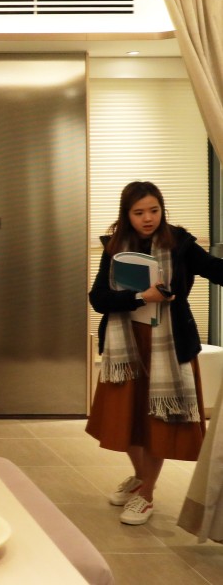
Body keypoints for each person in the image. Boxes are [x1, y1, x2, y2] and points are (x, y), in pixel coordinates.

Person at [87, 181, 223, 526]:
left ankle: (147, 494)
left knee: (157, 423)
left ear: (162, 210)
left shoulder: (179, 243)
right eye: (139, 212)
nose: (148, 218)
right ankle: (139, 477)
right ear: (127, 214)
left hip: (169, 345)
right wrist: (139, 297)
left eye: (154, 210)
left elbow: (215, 270)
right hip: (127, 344)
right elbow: (98, 298)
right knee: (126, 417)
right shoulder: (115, 246)